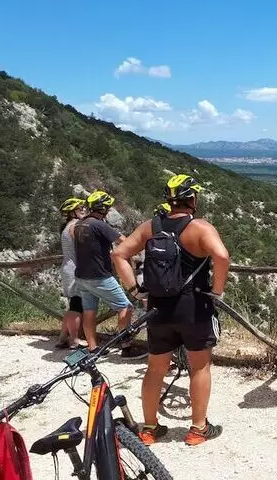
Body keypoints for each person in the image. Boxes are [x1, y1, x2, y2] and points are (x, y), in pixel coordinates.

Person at [112, 175, 230, 447]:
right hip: (194, 306)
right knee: (200, 367)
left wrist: (135, 291)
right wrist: (217, 289)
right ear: (192, 199)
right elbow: (222, 256)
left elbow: (118, 255)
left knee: (155, 369)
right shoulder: (199, 227)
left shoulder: (150, 226)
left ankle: (150, 428)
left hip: (158, 308)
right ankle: (198, 429)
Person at [73, 190, 146, 360]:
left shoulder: (79, 224)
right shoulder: (99, 225)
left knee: (90, 311)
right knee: (126, 307)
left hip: (81, 276)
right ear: (103, 208)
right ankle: (125, 346)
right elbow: (125, 241)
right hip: (99, 276)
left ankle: (93, 348)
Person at [56, 197, 87, 349]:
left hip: (68, 268)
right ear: (72, 212)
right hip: (75, 269)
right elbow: (84, 246)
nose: (84, 210)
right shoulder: (75, 226)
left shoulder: (67, 226)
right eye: (80, 208)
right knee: (77, 305)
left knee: (73, 304)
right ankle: (75, 340)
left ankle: (62, 337)